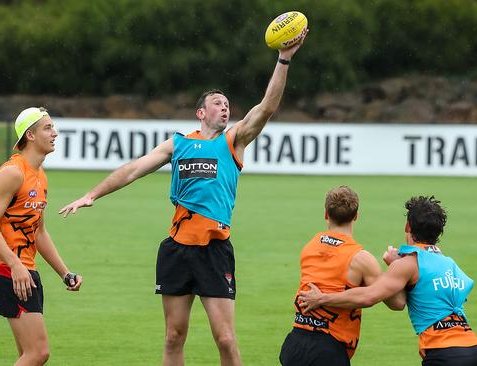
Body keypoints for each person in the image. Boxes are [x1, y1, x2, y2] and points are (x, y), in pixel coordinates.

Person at [58, 33, 307, 365]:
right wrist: (92, 194)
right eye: (217, 103)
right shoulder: (177, 144)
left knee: (226, 339)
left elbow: (267, 107)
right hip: (177, 249)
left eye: (227, 103)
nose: (225, 106)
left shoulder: (234, 140)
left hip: (214, 250)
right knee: (174, 336)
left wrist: (284, 58)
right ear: (200, 113)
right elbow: (133, 170)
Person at [298, 196, 477, 366]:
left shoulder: (409, 264)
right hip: (475, 349)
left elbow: (369, 296)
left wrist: (322, 299)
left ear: (408, 227)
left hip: (444, 353)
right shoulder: (449, 264)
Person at [0, 107, 83, 366]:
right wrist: (15, 266)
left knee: (28, 356)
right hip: (6, 271)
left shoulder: (40, 176)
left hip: (25, 271)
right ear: (31, 135)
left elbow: (39, 232)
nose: (55, 133)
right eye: (48, 128)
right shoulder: (12, 172)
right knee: (38, 353)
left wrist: (64, 273)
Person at [279, 186, 406, 366]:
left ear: (326, 214)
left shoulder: (310, 247)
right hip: (328, 349)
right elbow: (397, 303)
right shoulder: (361, 259)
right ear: (356, 216)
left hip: (295, 343)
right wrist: (396, 265)